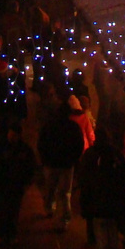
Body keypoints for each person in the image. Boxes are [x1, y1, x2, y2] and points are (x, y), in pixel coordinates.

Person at [79, 121, 125, 249]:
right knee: (112, 233)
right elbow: (123, 174)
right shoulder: (116, 155)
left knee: (99, 235)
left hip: (96, 204)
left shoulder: (90, 155)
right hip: (113, 203)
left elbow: (84, 180)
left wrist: (85, 203)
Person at [0, 122, 37, 244]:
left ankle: (10, 234)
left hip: (16, 186)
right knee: (2, 211)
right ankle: (1, 233)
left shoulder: (23, 150)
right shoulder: (0, 148)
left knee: (12, 211)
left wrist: (26, 183)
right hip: (2, 186)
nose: (12, 136)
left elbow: (30, 167)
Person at [39, 97, 86, 227]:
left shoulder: (49, 126)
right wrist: (73, 159)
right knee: (65, 193)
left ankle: (50, 209)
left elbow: (41, 143)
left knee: (50, 189)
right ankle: (65, 218)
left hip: (51, 163)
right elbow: (79, 145)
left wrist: (45, 159)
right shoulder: (73, 127)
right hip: (66, 165)